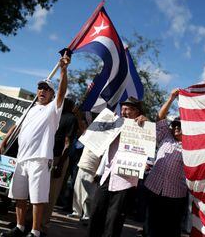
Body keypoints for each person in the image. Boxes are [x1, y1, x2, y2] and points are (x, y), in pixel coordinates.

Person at [0, 55, 70, 237]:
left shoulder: (53, 109)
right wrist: (2, 142)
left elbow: (62, 92)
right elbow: (16, 126)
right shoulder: (30, 109)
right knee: (19, 196)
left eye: (47, 89)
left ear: (52, 95)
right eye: (40, 88)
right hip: (21, 158)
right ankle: (20, 227)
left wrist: (63, 70)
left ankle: (35, 231)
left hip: (39, 158)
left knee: (37, 199)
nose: (42, 91)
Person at [87, 96, 147, 237]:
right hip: (107, 176)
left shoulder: (143, 127)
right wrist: (108, 122)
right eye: (123, 108)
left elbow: (152, 137)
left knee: (113, 221)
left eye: (127, 109)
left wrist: (147, 122)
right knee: (96, 213)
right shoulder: (116, 123)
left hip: (125, 181)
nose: (123, 112)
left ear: (137, 112)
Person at [144, 88, 187, 237]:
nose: (176, 127)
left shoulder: (191, 147)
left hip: (175, 196)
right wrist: (171, 98)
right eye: (175, 125)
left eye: (180, 126)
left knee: (169, 230)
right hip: (153, 188)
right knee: (150, 228)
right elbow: (159, 117)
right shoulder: (165, 136)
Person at [41, 97, 78, 232]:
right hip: (44, 156)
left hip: (58, 159)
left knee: (51, 194)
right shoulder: (52, 115)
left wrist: (60, 164)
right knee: (38, 191)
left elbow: (68, 143)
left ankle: (43, 226)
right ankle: (30, 220)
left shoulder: (71, 119)